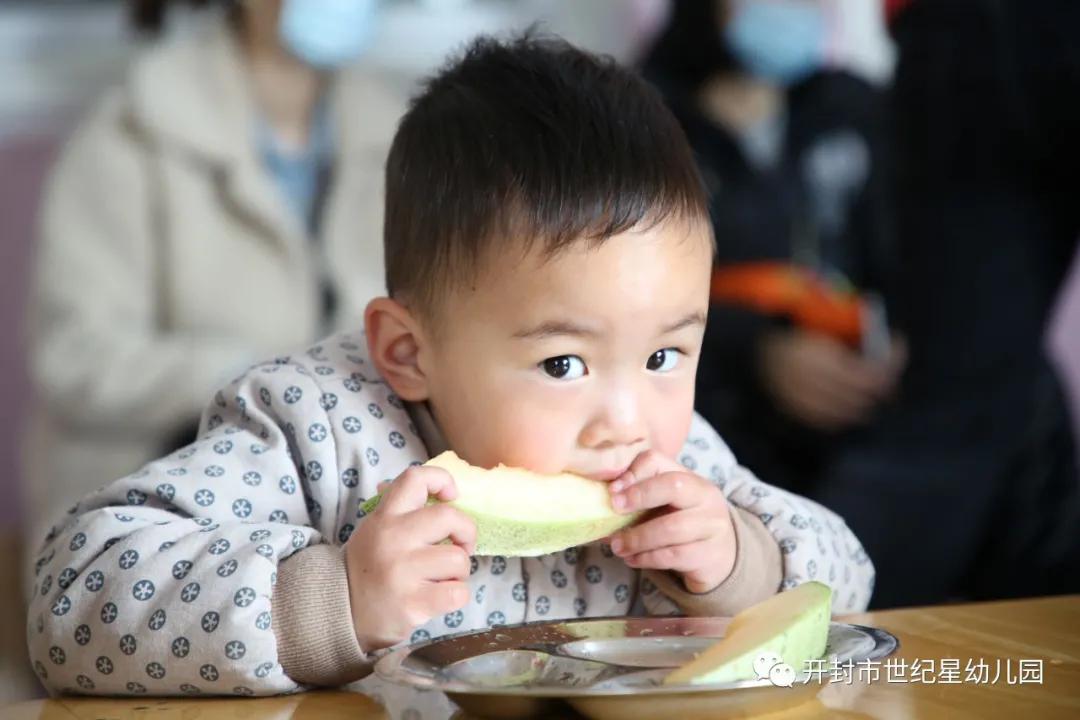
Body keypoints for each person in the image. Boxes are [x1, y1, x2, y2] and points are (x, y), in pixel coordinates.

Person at [26, 34, 874, 696]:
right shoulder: (315, 428)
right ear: (407, 352)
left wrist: (737, 566)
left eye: (663, 354)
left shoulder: (676, 458)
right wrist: (330, 601)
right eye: (564, 364)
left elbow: (851, 582)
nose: (627, 417)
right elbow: (70, 597)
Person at [24, 0, 404, 543]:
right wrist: (250, 377)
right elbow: (73, 354)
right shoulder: (129, 132)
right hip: (149, 518)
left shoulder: (392, 132)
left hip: (333, 506)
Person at [642, 0, 906, 496]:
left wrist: (900, 343)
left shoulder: (857, 107)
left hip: (862, 437)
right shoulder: (642, 120)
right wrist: (756, 353)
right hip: (707, 454)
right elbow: (620, 300)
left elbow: (909, 255)